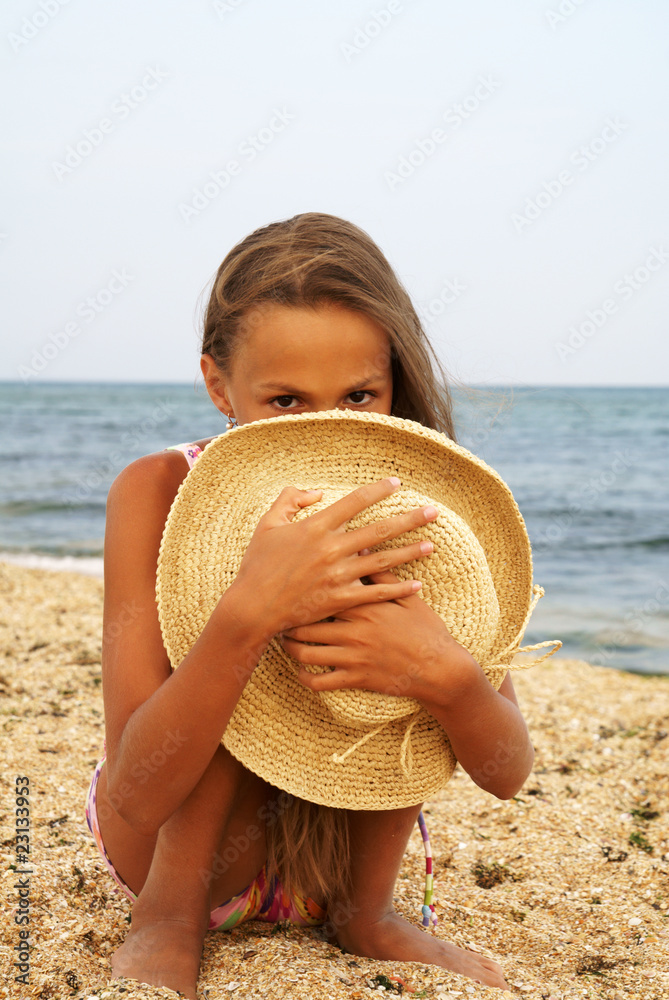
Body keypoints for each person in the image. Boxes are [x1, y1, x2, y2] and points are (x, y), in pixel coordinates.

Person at [85, 212, 539, 998]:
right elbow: (133, 791)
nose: (327, 426)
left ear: (393, 380)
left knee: (403, 638)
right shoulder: (157, 490)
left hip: (328, 874)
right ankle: (167, 922)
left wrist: (444, 676)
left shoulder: (426, 509)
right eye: (286, 399)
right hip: (167, 857)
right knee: (242, 641)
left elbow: (505, 772)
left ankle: (369, 916)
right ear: (219, 385)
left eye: (359, 395)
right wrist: (245, 617)